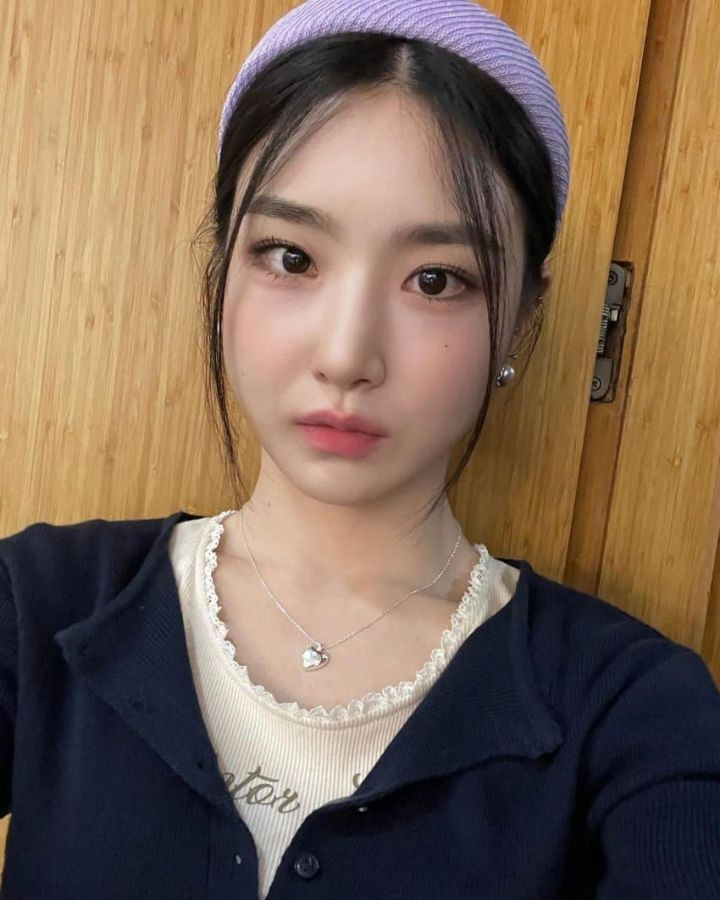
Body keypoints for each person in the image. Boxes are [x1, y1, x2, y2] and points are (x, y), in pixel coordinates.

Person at [1, 1, 719, 897]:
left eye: (436, 279)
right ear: (224, 265)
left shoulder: (633, 709)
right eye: (291, 257)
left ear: (521, 319)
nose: (346, 355)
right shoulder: (40, 605)